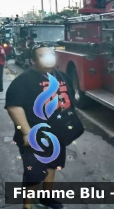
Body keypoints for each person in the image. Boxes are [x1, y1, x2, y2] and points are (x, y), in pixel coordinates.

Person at [5, 44, 77, 209]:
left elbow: (69, 101)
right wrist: (26, 133)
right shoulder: (23, 80)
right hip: (35, 135)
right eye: (43, 56)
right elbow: (14, 107)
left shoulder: (62, 76)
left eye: (50, 55)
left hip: (57, 135)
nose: (49, 58)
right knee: (34, 173)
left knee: (52, 166)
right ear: (32, 61)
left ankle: (46, 198)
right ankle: (27, 206)